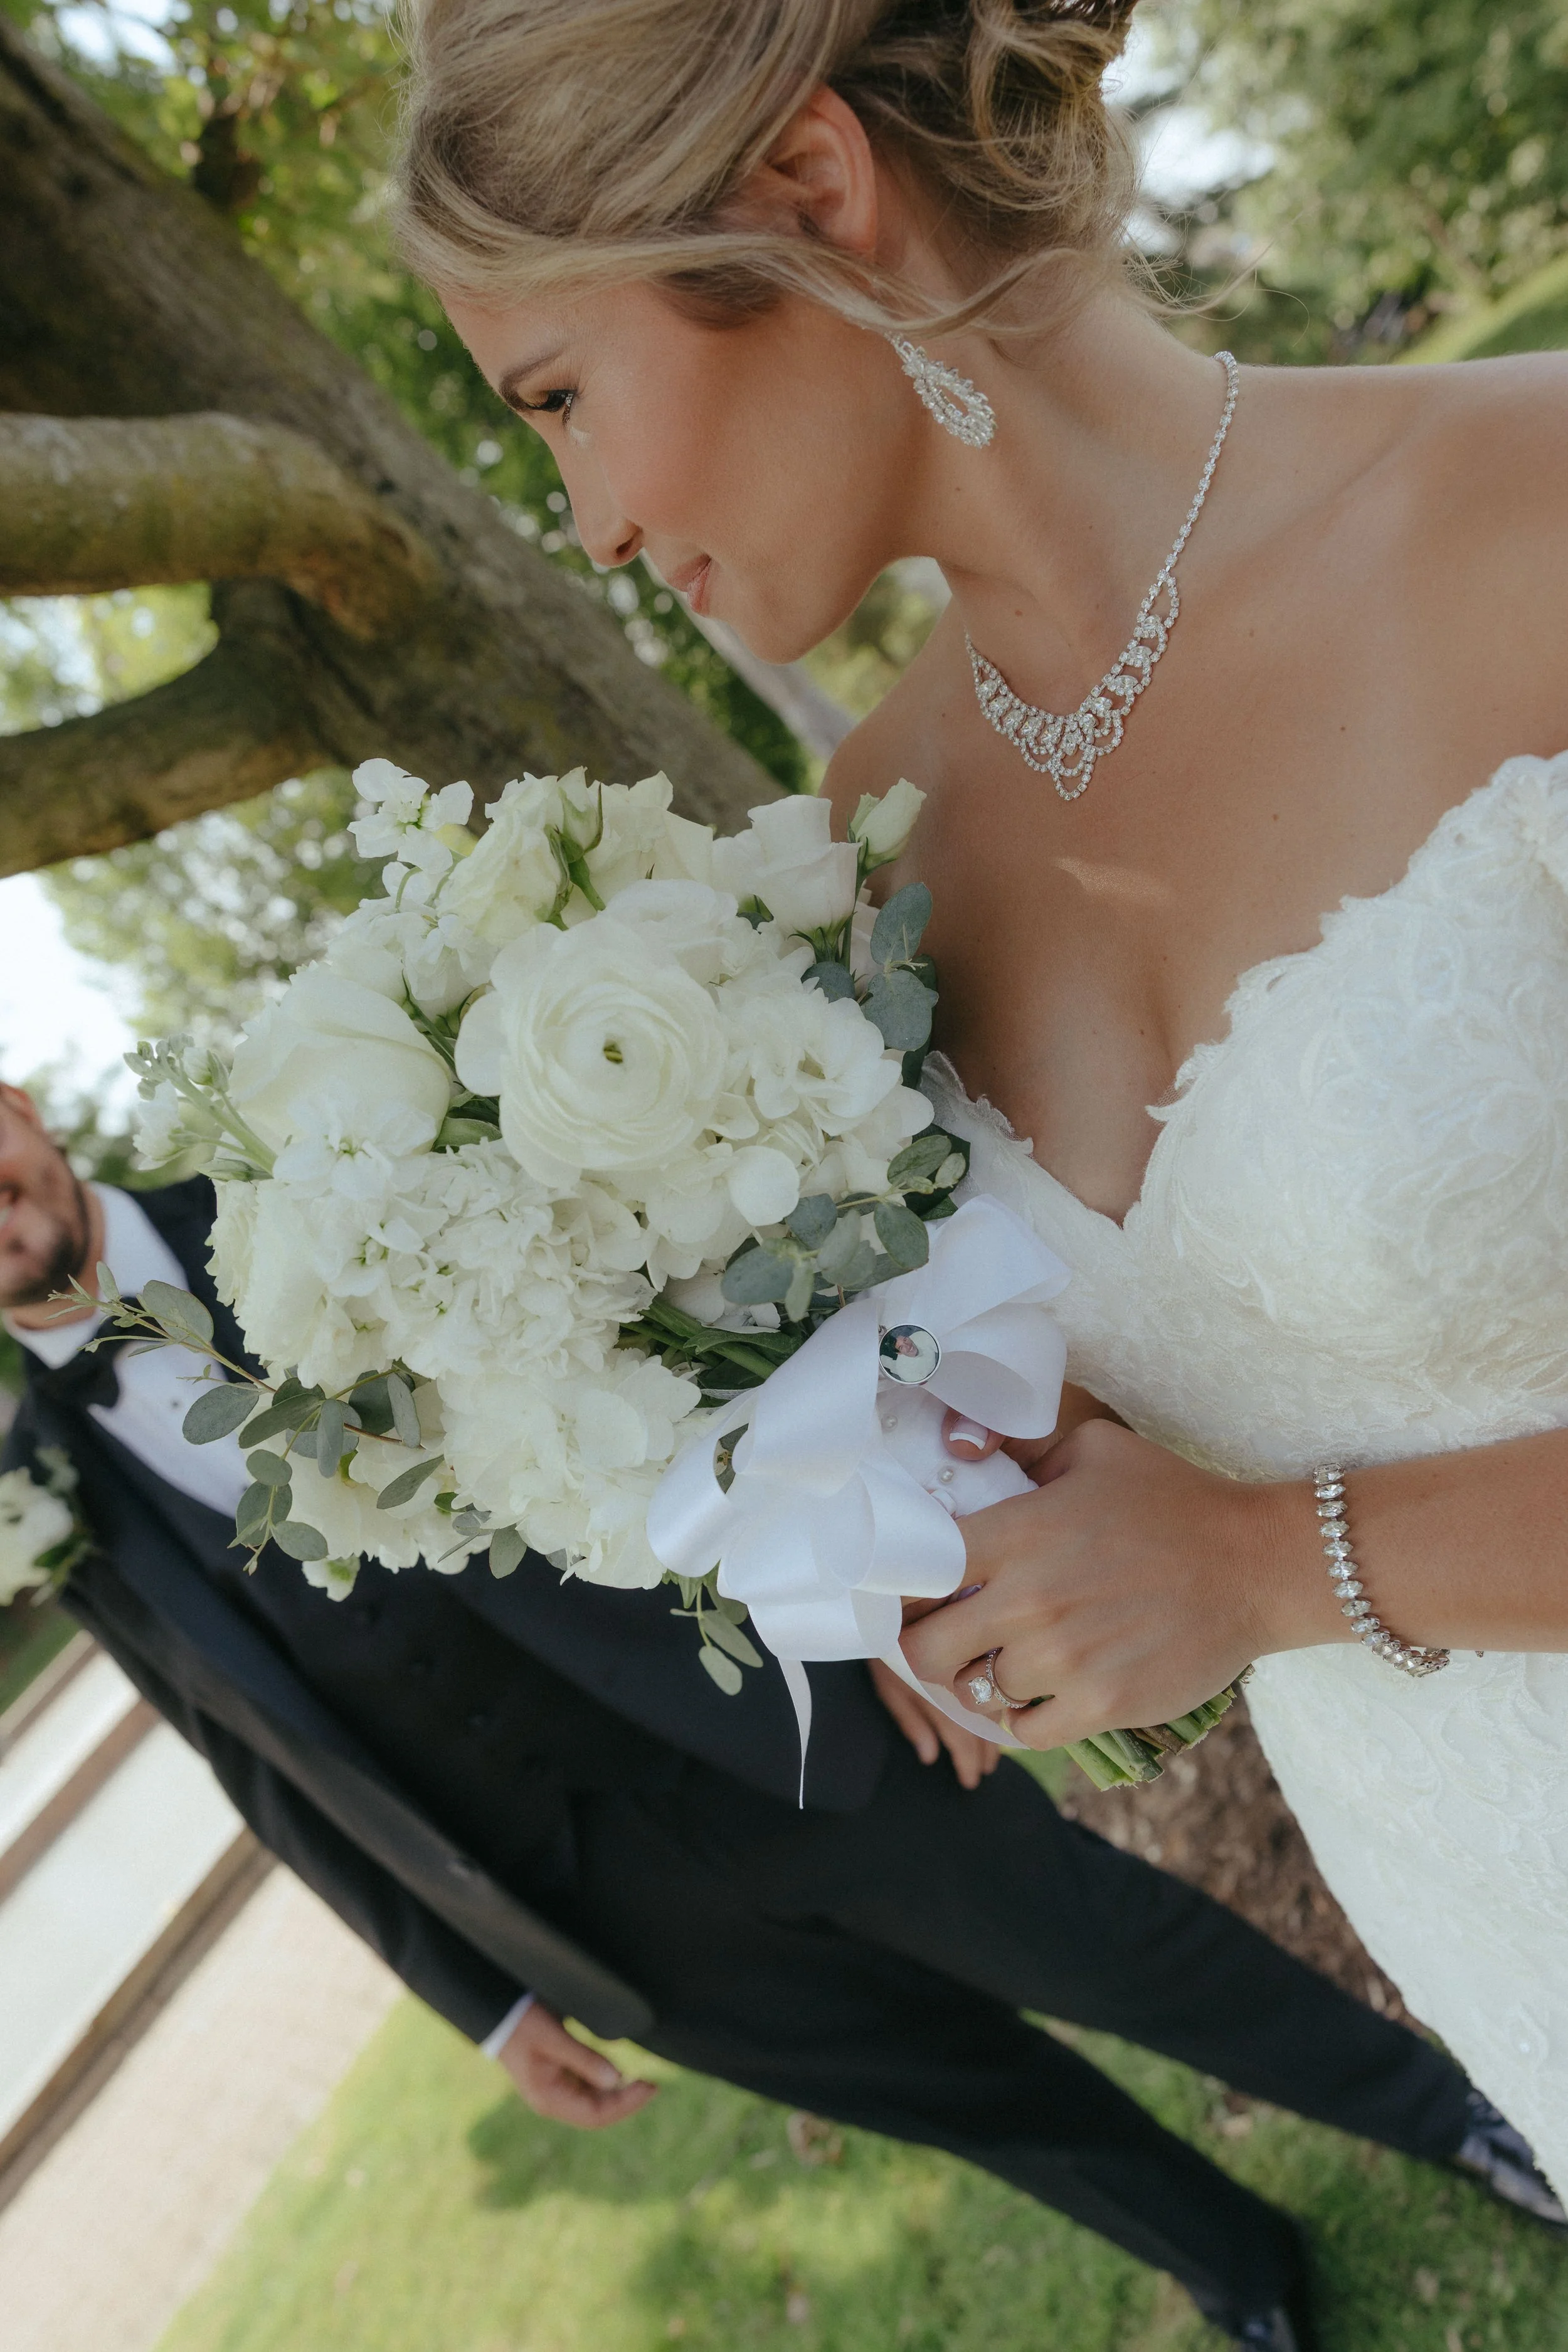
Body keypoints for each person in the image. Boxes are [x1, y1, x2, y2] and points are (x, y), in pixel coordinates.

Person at [391, 0, 1568, 2203]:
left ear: (815, 195)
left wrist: (1255, 1561)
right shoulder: (856, 865)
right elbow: (1167, 1384)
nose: (597, 523)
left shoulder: (1534, 518)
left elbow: (1256, 1542)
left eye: (561, 400)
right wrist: (947, 1510)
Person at [1, 1083, 1560, 2347]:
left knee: (1117, 1949)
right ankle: (1230, 2259)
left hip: (767, 1719)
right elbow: (249, 1758)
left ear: (22, 1107)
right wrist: (472, 1994)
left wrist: (870, 1605)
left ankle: (1444, 2118)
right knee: (960, 2098)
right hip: (579, 1903)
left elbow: (671, 1378)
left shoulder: (313, 1216)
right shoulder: (40, 1489)